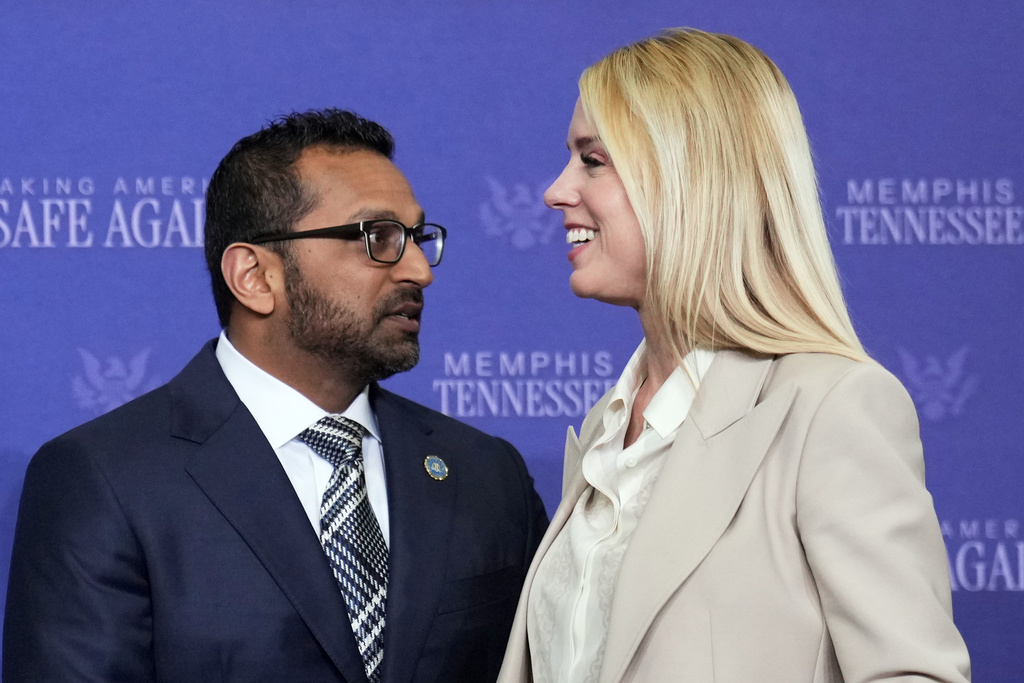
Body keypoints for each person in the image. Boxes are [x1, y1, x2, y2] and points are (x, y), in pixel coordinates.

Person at [4, 108, 548, 683]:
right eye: (377, 237)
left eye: (416, 237)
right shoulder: (104, 479)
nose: (418, 269)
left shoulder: (487, 473)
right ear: (255, 277)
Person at [498, 29, 970, 683]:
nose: (556, 190)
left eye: (593, 160)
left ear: (691, 178)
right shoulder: (608, 426)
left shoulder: (830, 408)